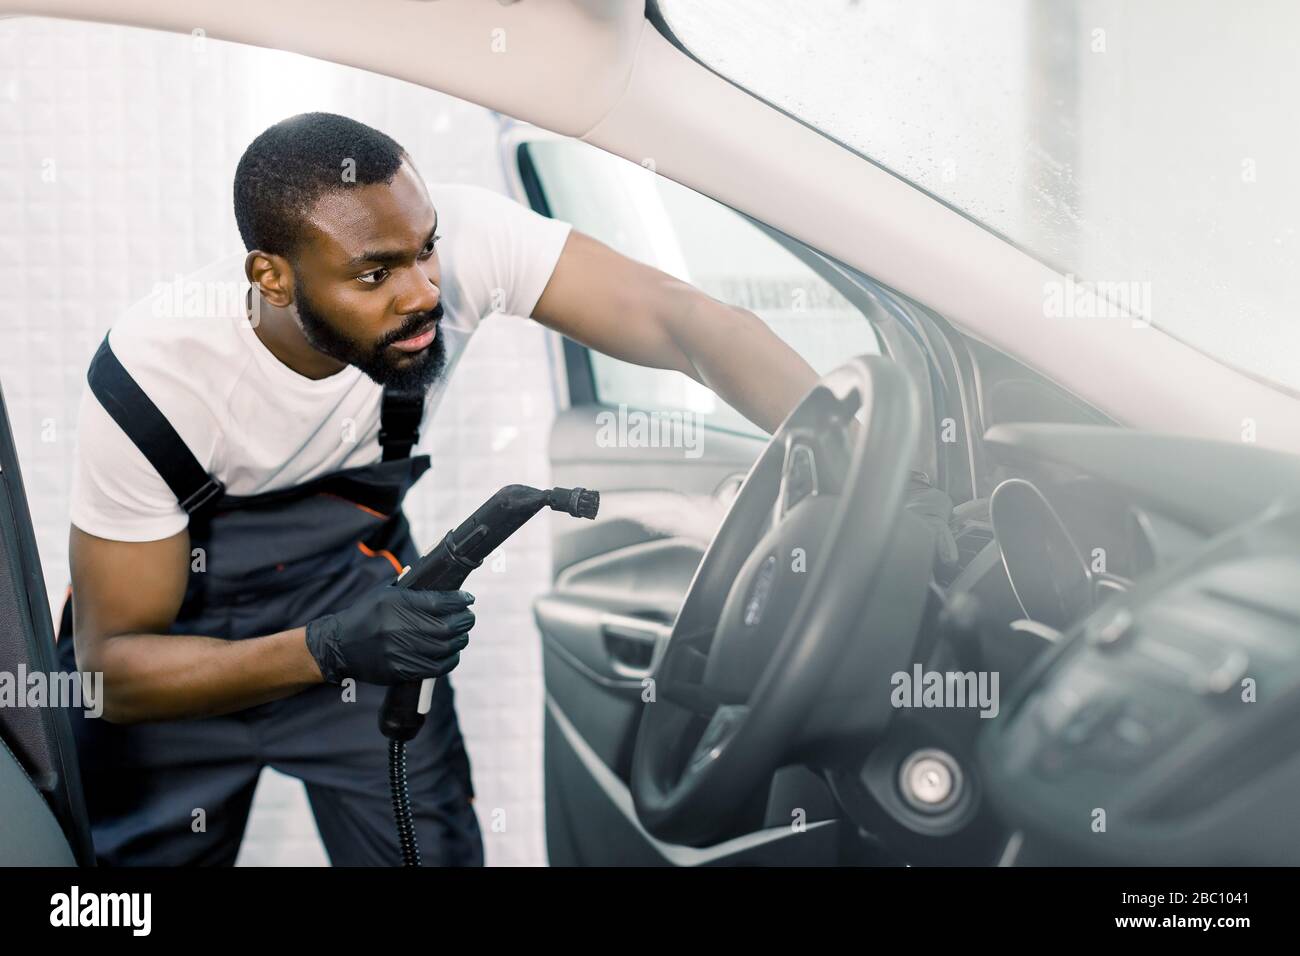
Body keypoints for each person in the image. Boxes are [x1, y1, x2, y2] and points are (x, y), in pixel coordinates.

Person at [57, 112, 820, 866]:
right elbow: (109, 671)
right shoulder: (158, 376)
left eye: (427, 251)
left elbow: (685, 322)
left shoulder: (459, 246)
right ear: (272, 277)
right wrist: (326, 649)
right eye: (374, 273)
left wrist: (843, 437)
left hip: (362, 617)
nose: (422, 292)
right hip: (175, 677)